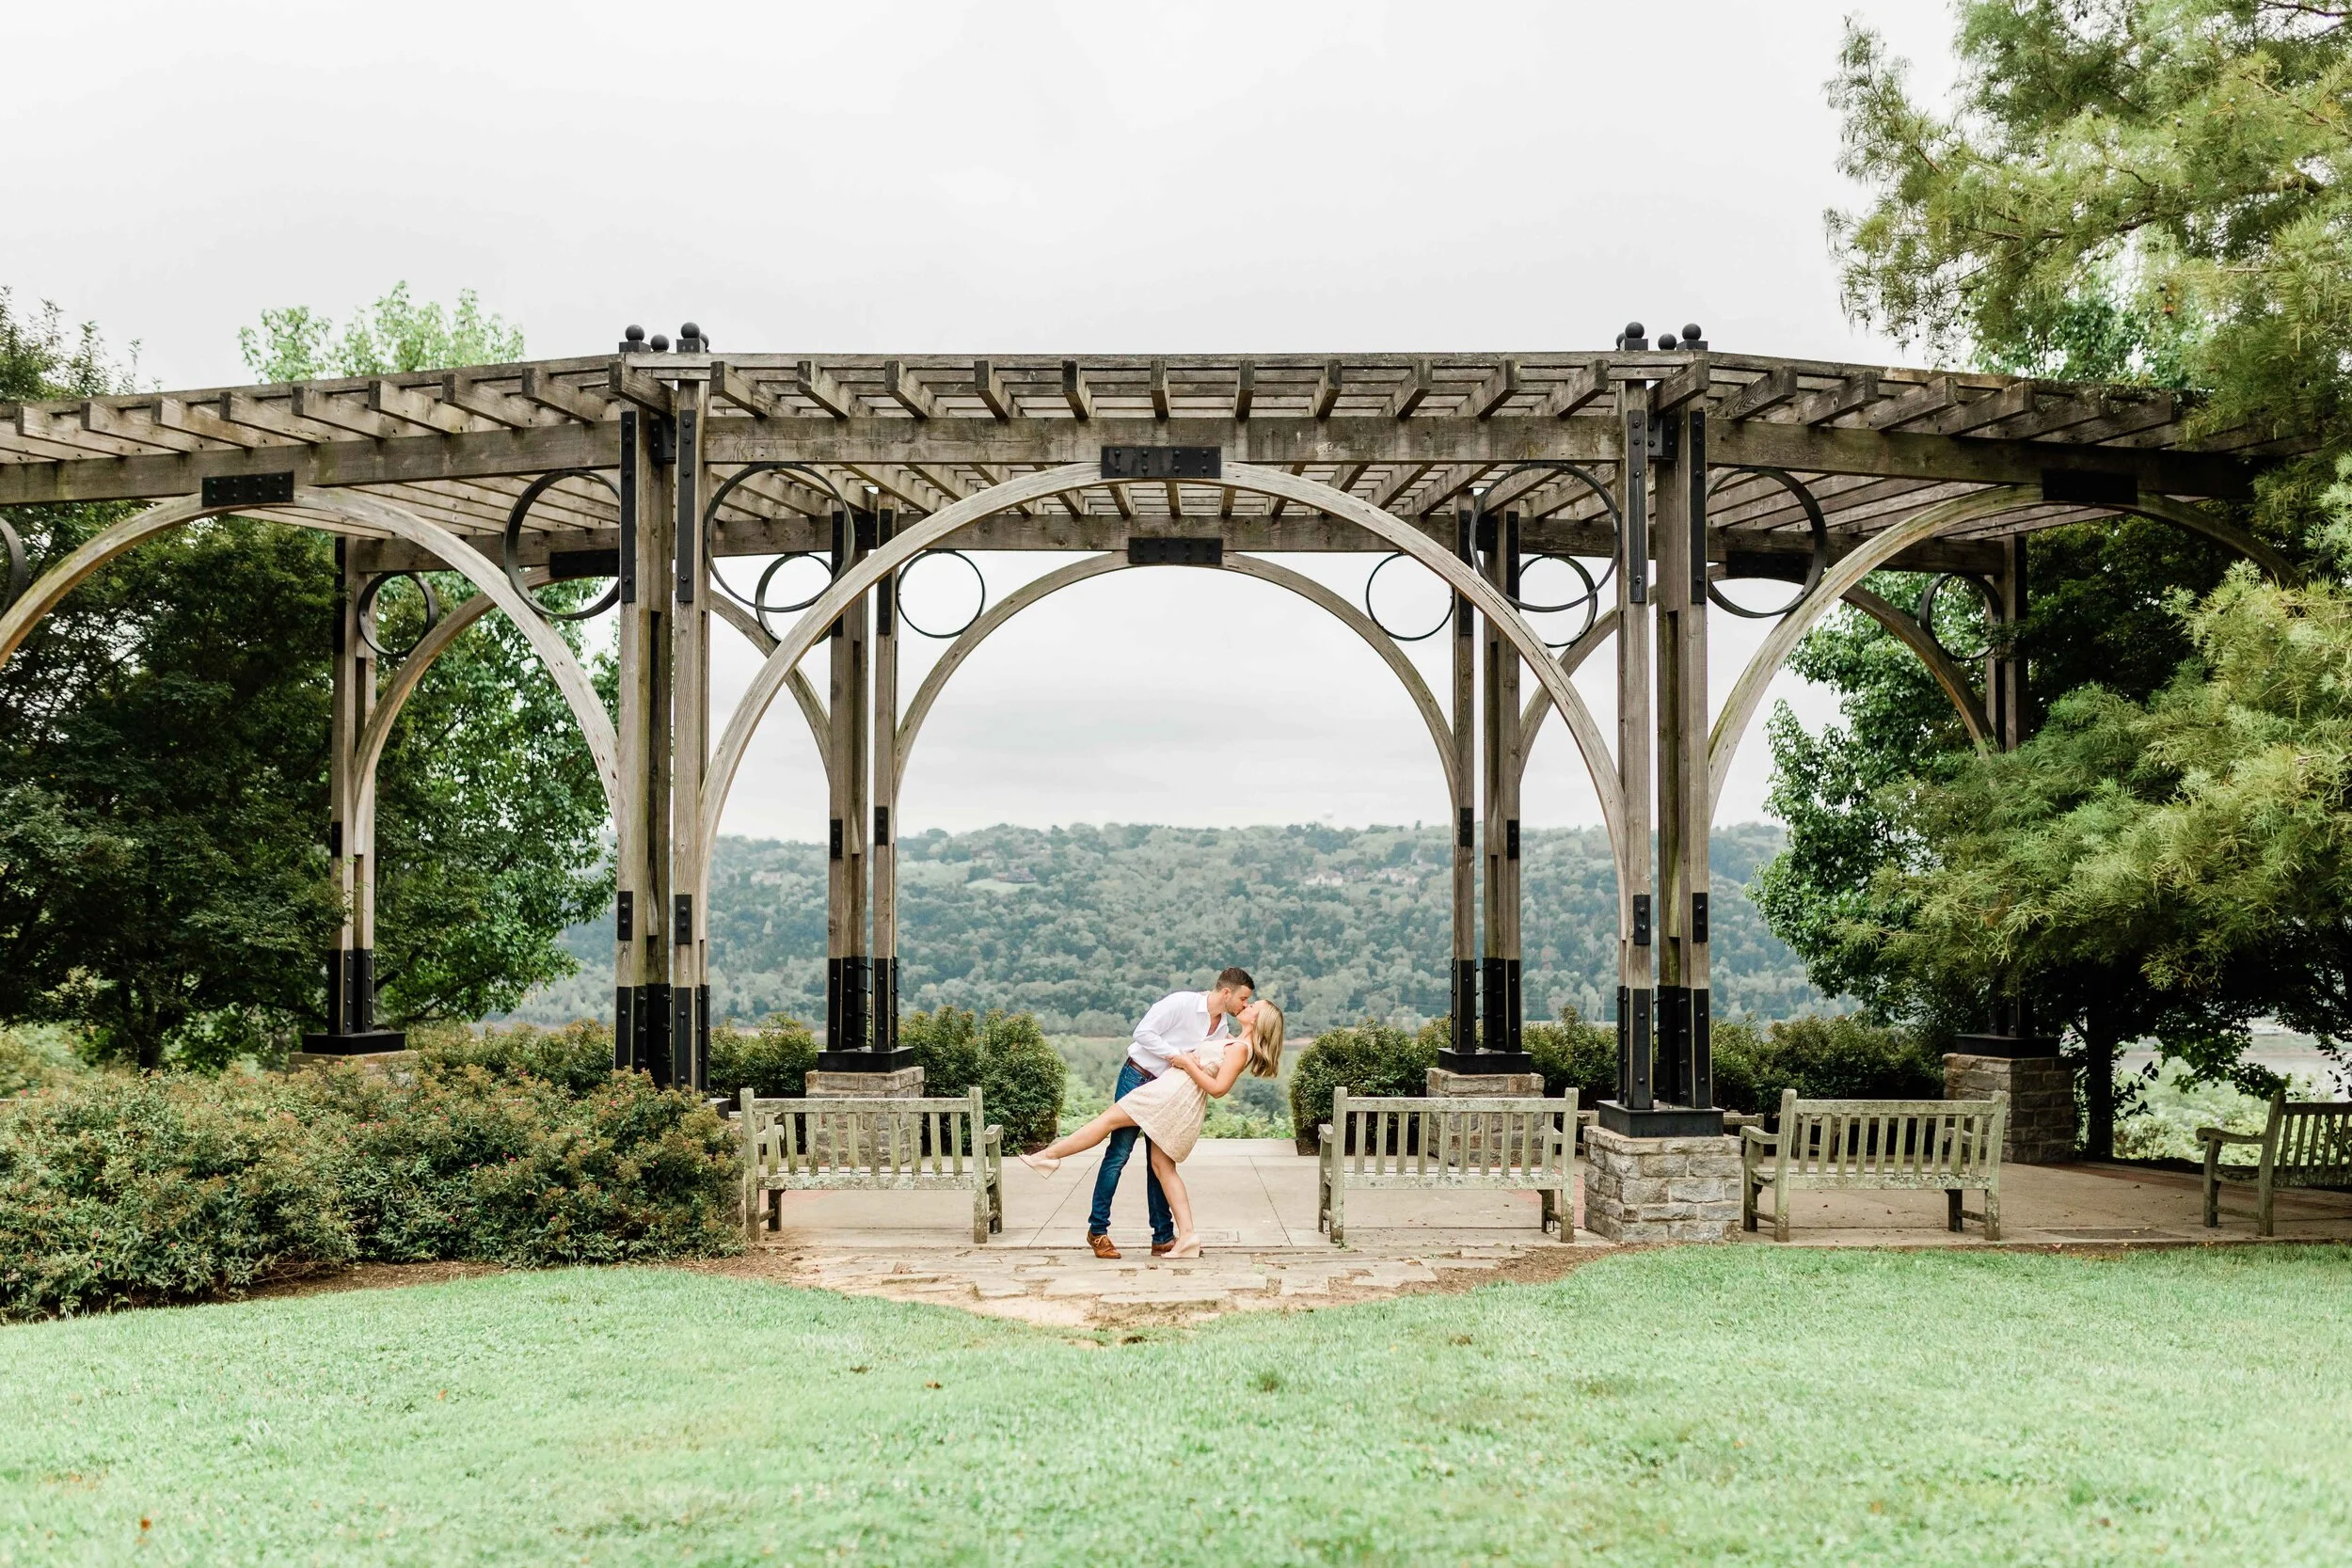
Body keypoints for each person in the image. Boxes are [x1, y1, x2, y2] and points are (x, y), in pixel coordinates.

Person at [1022, 999, 1285, 1259]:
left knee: (1107, 1122)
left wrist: (1188, 1063)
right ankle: (1187, 1236)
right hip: (1175, 1094)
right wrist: (1192, 1054)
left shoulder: (1241, 1049)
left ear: (1259, 1021)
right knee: (1162, 1167)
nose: (1247, 1006)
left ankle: (1047, 1157)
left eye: (1253, 1007)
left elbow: (1218, 1089)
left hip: (1170, 1095)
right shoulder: (1232, 1039)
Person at [1070, 969, 1252, 1259]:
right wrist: (1176, 1055)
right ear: (1227, 992)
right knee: (1118, 1154)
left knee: (1158, 1164)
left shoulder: (1220, 1028)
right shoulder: (1181, 1003)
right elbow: (1142, 1033)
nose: (1244, 1005)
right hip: (1138, 1076)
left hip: (1167, 1092)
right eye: (1243, 998)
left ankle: (1163, 1236)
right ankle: (1098, 1230)